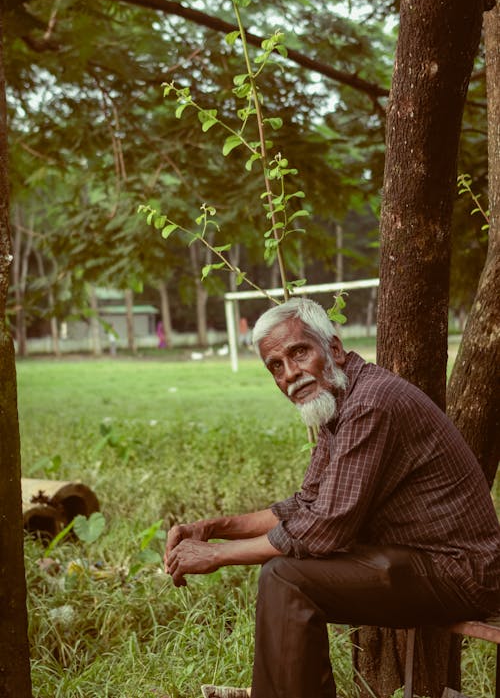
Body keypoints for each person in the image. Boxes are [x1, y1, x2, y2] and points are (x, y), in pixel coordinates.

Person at [165, 298, 500, 698]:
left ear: (334, 350)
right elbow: (305, 505)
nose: (291, 374)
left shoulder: (371, 404)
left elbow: (325, 529)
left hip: (462, 572)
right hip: (424, 560)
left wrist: (218, 555)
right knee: (284, 576)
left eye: (299, 353)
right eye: (276, 366)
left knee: (287, 577)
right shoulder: (337, 403)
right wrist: (214, 528)